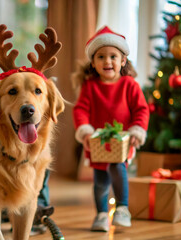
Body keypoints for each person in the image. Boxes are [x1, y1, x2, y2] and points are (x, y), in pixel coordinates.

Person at [72, 26, 150, 232]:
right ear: (93, 62)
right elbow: (80, 110)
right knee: (100, 181)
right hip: (98, 141)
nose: (107, 61)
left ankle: (122, 208)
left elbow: (142, 110)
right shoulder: (90, 86)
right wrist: (85, 131)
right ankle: (101, 214)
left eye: (113, 56)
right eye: (101, 57)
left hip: (122, 141)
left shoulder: (129, 85)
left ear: (123, 61)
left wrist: (137, 130)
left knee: (117, 168)